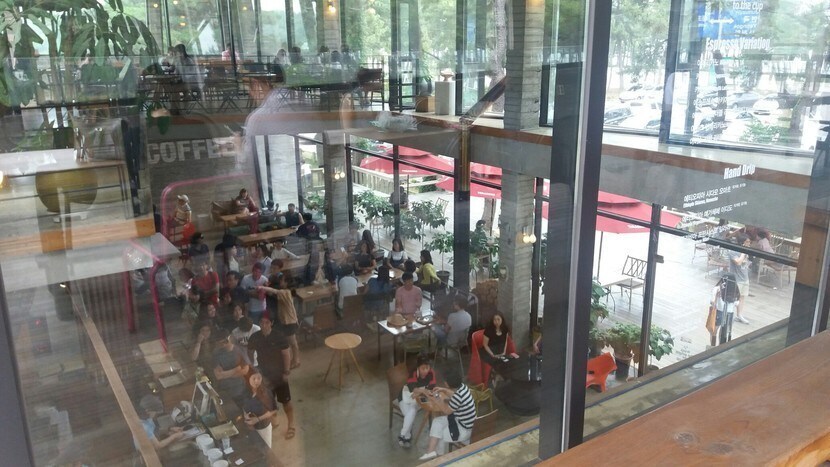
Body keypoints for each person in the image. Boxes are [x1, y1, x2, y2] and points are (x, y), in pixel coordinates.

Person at [247, 314, 296, 440]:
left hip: (279, 374)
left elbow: (286, 354)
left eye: (267, 322)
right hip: (264, 375)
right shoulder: (255, 337)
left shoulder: (279, 336)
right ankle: (274, 421)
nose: (264, 325)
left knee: (286, 401)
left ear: (272, 323)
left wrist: (286, 372)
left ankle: (291, 425)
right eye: (262, 322)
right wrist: (253, 367)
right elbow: (250, 351)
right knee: (268, 400)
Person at [418, 370, 476, 460]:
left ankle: (440, 459)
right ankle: (431, 452)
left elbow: (447, 411)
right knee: (437, 421)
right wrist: (443, 390)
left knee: (439, 435)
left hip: (464, 430)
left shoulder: (458, 397)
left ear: (447, 384)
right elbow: (453, 394)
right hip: (468, 423)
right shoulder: (463, 387)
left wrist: (436, 399)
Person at [259, 275, 301, 369]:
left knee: (292, 343)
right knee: (291, 343)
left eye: (282, 281)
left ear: (286, 282)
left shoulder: (285, 292)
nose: (280, 282)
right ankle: (294, 360)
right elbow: (272, 293)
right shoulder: (285, 292)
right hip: (287, 321)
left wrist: (262, 287)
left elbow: (274, 291)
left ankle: (296, 361)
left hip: (289, 322)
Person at [397, 355, 438, 448]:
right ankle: (405, 435)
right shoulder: (414, 373)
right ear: (418, 367)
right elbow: (413, 388)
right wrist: (423, 390)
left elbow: (431, 387)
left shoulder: (431, 373)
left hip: (416, 399)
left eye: (427, 368)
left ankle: (403, 436)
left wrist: (420, 391)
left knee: (411, 413)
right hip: (405, 396)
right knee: (410, 414)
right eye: (423, 368)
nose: (426, 371)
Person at [212, 328, 251, 407]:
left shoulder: (240, 350)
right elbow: (218, 376)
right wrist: (236, 369)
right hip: (224, 390)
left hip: (240, 389)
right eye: (220, 343)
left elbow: (245, 370)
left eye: (224, 342)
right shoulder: (216, 353)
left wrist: (224, 374)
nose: (223, 345)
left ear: (229, 338)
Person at [243, 371, 278, 448]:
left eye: (258, 378)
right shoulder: (245, 393)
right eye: (254, 378)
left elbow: (273, 410)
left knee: (266, 449)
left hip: (263, 427)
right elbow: (244, 406)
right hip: (251, 428)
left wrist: (257, 419)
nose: (256, 381)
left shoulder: (266, 393)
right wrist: (246, 416)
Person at [727, 234, 751, 324]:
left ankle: (739, 315)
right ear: (742, 242)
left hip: (744, 277)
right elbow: (738, 262)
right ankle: (728, 314)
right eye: (747, 242)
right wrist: (743, 252)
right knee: (732, 297)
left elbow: (745, 263)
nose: (749, 244)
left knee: (742, 297)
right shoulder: (733, 251)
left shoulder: (746, 251)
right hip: (736, 279)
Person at [712, 273, 741, 346]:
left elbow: (712, 302)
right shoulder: (735, 291)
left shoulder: (718, 288)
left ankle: (712, 345)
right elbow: (737, 303)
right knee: (724, 331)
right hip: (730, 313)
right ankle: (721, 345)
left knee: (714, 330)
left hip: (719, 311)